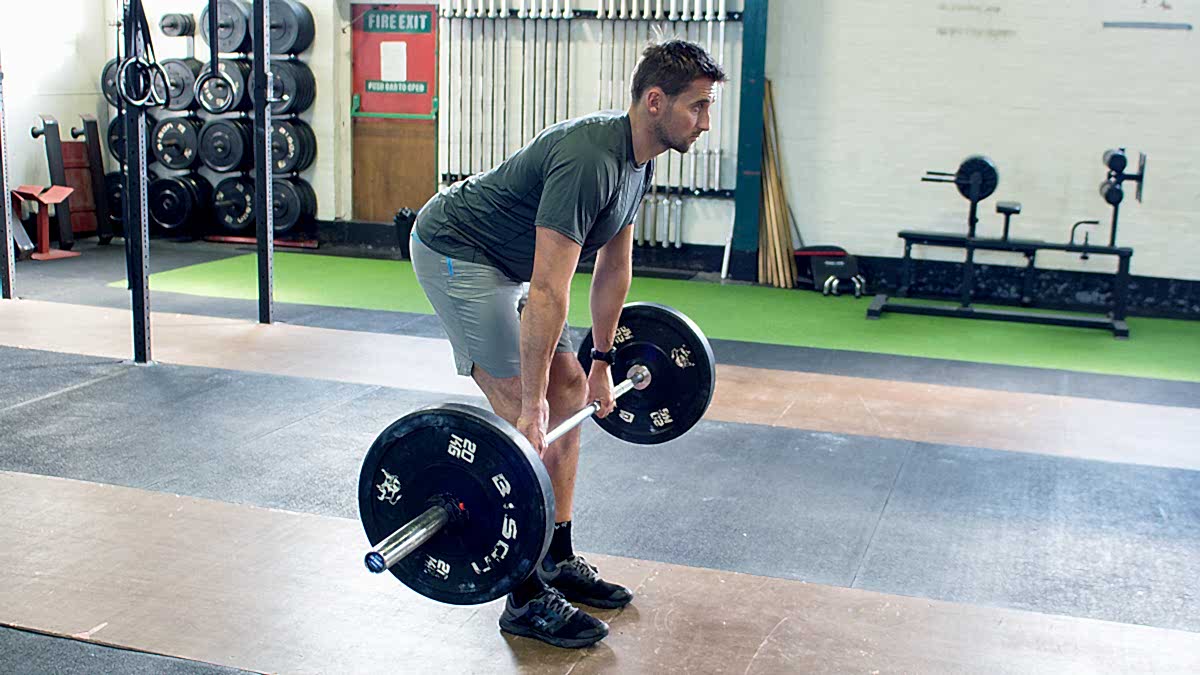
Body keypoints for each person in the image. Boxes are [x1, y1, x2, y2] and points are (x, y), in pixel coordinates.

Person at [410, 39, 726, 649]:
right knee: (521, 419)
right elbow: (550, 292)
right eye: (699, 106)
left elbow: (615, 269)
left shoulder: (640, 159)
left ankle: (554, 555)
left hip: (506, 259)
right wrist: (527, 407)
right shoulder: (590, 158)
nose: (706, 122)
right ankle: (522, 597)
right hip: (456, 249)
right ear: (655, 102)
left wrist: (603, 362)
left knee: (573, 389)